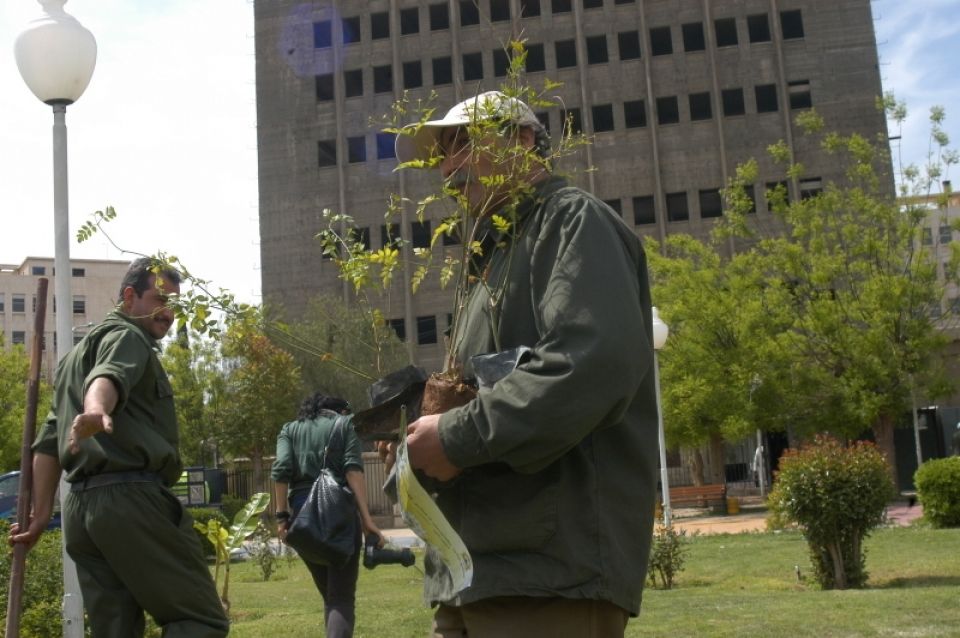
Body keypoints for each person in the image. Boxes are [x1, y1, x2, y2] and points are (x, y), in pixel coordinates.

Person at [387, 91, 660, 637]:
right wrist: (416, 425)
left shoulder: (571, 223)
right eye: (441, 153)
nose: (447, 168)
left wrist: (458, 437)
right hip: (476, 570)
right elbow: (489, 384)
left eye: (463, 143)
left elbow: (588, 364)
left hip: (550, 571)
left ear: (525, 140)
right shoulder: (493, 257)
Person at [9, 257, 229, 637]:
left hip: (81, 513)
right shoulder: (129, 337)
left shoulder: (72, 359)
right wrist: (96, 409)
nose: (169, 313)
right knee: (200, 620)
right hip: (129, 500)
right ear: (130, 296)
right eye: (160, 300)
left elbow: (48, 440)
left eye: (175, 304)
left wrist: (41, 513)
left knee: (115, 631)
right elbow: (108, 378)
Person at [271, 392, 382, 638]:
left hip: (302, 520)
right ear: (341, 411)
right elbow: (353, 472)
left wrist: (281, 518)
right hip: (339, 516)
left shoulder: (289, 429)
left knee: (331, 598)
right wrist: (367, 521)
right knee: (340, 599)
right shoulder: (345, 425)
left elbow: (281, 471)